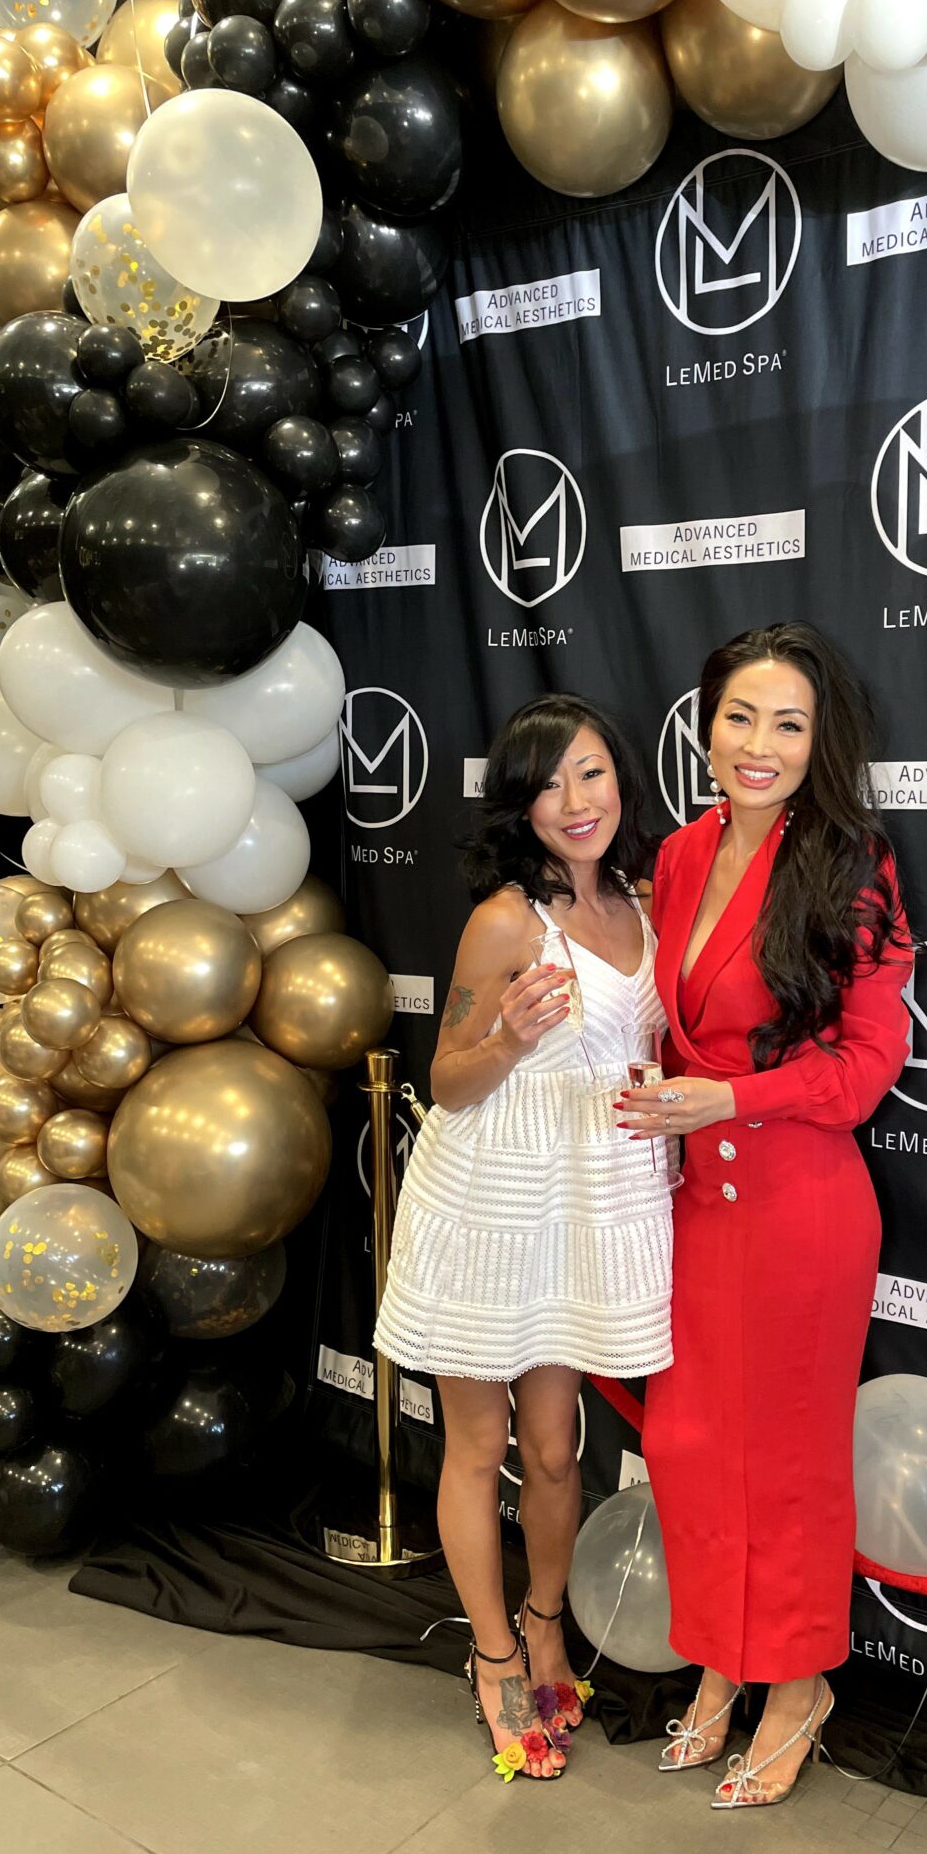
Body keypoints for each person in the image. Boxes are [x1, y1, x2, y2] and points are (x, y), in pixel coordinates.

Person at [617, 622, 913, 1810]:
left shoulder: (854, 864)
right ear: (705, 719)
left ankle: (797, 1687)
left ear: (819, 739)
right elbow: (664, 1017)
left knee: (786, 1463)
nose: (759, 743)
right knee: (689, 1453)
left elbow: (864, 1066)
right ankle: (720, 1667)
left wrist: (728, 1096)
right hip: (697, 1213)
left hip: (801, 1211)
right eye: (740, 714)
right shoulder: (682, 854)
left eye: (788, 722)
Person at [376, 694, 673, 1784]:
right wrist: (505, 1031)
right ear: (520, 805)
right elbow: (449, 1080)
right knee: (478, 1445)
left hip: (582, 1206)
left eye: (590, 773)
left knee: (555, 1448)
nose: (574, 801)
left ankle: (547, 1621)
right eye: (548, 784)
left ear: (619, 778)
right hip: (490, 1204)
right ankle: (494, 1657)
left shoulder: (641, 903)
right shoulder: (507, 919)